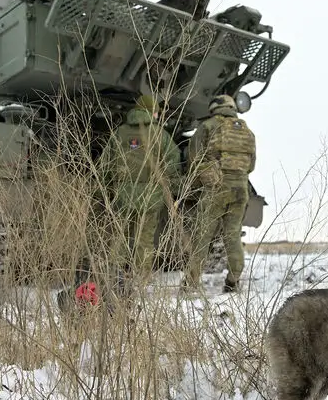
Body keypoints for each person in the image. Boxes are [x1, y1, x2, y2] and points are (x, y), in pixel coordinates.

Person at [97, 95, 182, 282]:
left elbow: (106, 166)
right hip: (151, 197)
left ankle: (114, 277)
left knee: (120, 238)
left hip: (123, 196)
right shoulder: (161, 134)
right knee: (145, 241)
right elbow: (173, 164)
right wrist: (173, 192)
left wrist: (106, 190)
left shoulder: (119, 133)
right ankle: (140, 279)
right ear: (153, 112)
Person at [185, 94, 256, 292]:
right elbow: (251, 165)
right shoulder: (247, 131)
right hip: (241, 188)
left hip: (216, 189)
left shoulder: (208, 126)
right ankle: (233, 281)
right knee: (232, 236)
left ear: (214, 108)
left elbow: (194, 157)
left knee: (202, 237)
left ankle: (191, 283)